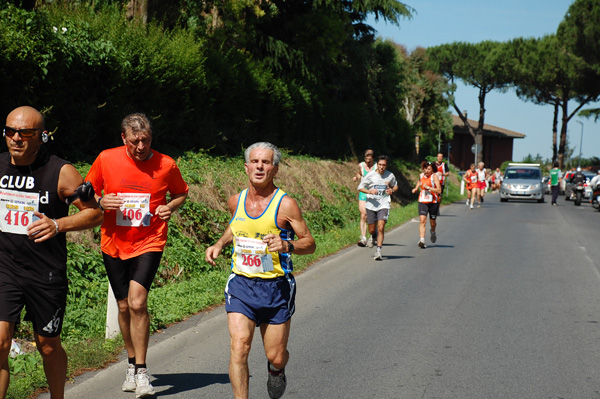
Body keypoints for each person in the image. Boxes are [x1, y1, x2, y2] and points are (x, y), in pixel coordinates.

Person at [0, 106, 103, 399]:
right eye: (10, 131)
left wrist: (58, 224)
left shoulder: (61, 171)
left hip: (45, 272)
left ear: (41, 136)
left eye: (25, 133)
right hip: (4, 266)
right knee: (0, 342)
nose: (16, 138)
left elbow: (95, 214)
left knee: (47, 344)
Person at [86, 113, 188, 398]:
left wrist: (171, 207)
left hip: (150, 241)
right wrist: (100, 201)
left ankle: (142, 372)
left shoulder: (166, 164)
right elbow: (86, 191)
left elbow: (181, 193)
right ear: (123, 139)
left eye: (146, 140)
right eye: (135, 141)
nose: (141, 146)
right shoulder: (107, 158)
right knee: (122, 306)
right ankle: (131, 365)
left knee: (138, 302)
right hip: (114, 242)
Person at [205, 142, 315, 399]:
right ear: (246, 167)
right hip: (242, 284)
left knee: (275, 355)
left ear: (275, 169)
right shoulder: (236, 201)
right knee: (239, 347)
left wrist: (287, 244)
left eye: (266, 162)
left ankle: (276, 370)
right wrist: (220, 243)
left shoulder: (286, 204)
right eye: (255, 161)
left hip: (276, 287)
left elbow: (309, 243)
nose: (259, 166)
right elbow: (237, 226)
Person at [357, 155, 398, 260]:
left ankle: (379, 251)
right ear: (377, 165)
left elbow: (395, 186)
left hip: (384, 204)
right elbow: (360, 187)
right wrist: (369, 191)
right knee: (371, 230)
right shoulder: (371, 175)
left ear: (386, 166)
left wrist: (392, 190)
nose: (381, 167)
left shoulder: (390, 175)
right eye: (380, 165)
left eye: (384, 165)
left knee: (381, 227)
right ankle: (373, 236)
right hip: (371, 205)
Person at [412, 161, 441, 248]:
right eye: (425, 168)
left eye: (429, 169)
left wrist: (429, 188)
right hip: (423, 200)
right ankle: (422, 240)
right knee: (422, 220)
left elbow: (439, 190)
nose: (427, 171)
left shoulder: (434, 176)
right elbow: (419, 182)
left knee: (432, 222)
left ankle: (433, 231)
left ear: (432, 170)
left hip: (433, 202)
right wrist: (416, 188)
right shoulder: (421, 175)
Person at [352, 149, 375, 247]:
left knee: (372, 217)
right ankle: (363, 238)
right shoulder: (361, 165)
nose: (367, 161)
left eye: (369, 159)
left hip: (374, 193)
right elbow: (360, 173)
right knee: (363, 214)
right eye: (366, 158)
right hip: (363, 192)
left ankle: (373, 235)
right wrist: (356, 177)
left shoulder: (377, 166)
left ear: (373, 158)